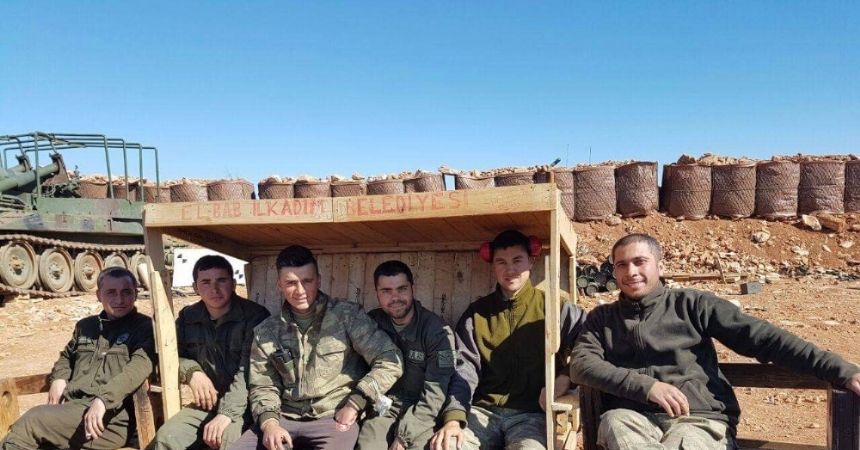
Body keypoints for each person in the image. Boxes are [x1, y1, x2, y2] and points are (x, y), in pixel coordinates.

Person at [570, 233, 860, 450]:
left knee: (687, 441)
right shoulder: (602, 318)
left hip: (697, 419)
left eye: (640, 262)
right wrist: (646, 387)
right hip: (632, 418)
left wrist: (839, 370)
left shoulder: (694, 305)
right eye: (622, 265)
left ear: (660, 265)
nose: (631, 272)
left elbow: (764, 338)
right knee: (615, 422)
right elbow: (581, 364)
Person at [230, 245, 403, 450]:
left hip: (333, 417)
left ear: (319, 280)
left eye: (307, 281)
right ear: (279, 284)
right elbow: (263, 384)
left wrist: (355, 403)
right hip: (283, 417)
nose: (300, 290)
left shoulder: (347, 316)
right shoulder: (266, 332)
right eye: (291, 283)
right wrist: (269, 424)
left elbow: (390, 359)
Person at [432, 230, 588, 450]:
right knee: (447, 445)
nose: (510, 270)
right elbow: (464, 368)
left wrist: (565, 377)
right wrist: (454, 419)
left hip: (532, 416)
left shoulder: (555, 307)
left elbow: (590, 345)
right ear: (493, 266)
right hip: (482, 412)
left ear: (531, 261)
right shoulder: (476, 314)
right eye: (501, 262)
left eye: (517, 260)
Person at [1, 267, 155, 450]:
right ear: (98, 295)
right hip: (73, 411)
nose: (119, 299)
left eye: (126, 292)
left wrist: (103, 399)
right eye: (111, 292)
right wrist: (59, 378)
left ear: (136, 294)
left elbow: (138, 368)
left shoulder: (145, 328)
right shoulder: (86, 327)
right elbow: (67, 356)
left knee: (33, 421)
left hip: (108, 420)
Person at [153, 255, 270, 450]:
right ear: (195, 287)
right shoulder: (188, 317)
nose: (214, 289)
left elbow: (249, 372)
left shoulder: (254, 316)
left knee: (228, 441)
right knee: (168, 437)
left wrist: (227, 413)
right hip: (210, 403)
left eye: (221, 280)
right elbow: (170, 356)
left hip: (248, 404)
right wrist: (192, 372)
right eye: (206, 282)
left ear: (233, 284)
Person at [357, 260, 475, 450]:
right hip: (383, 408)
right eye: (386, 291)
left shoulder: (438, 332)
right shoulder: (372, 323)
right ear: (376, 293)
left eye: (401, 289)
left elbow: (437, 392)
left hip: (423, 413)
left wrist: (405, 436)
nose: (395, 297)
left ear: (413, 288)